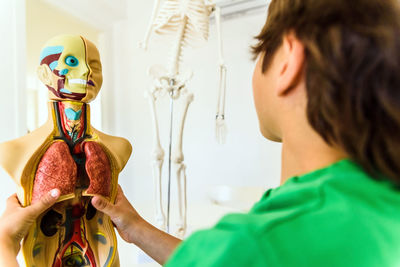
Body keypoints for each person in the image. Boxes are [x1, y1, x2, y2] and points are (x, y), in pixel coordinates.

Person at [2, 0, 400, 265]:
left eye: (260, 50)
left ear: (288, 63)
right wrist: (137, 229)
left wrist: (4, 247)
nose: (87, 74)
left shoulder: (254, 246)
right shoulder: (383, 207)